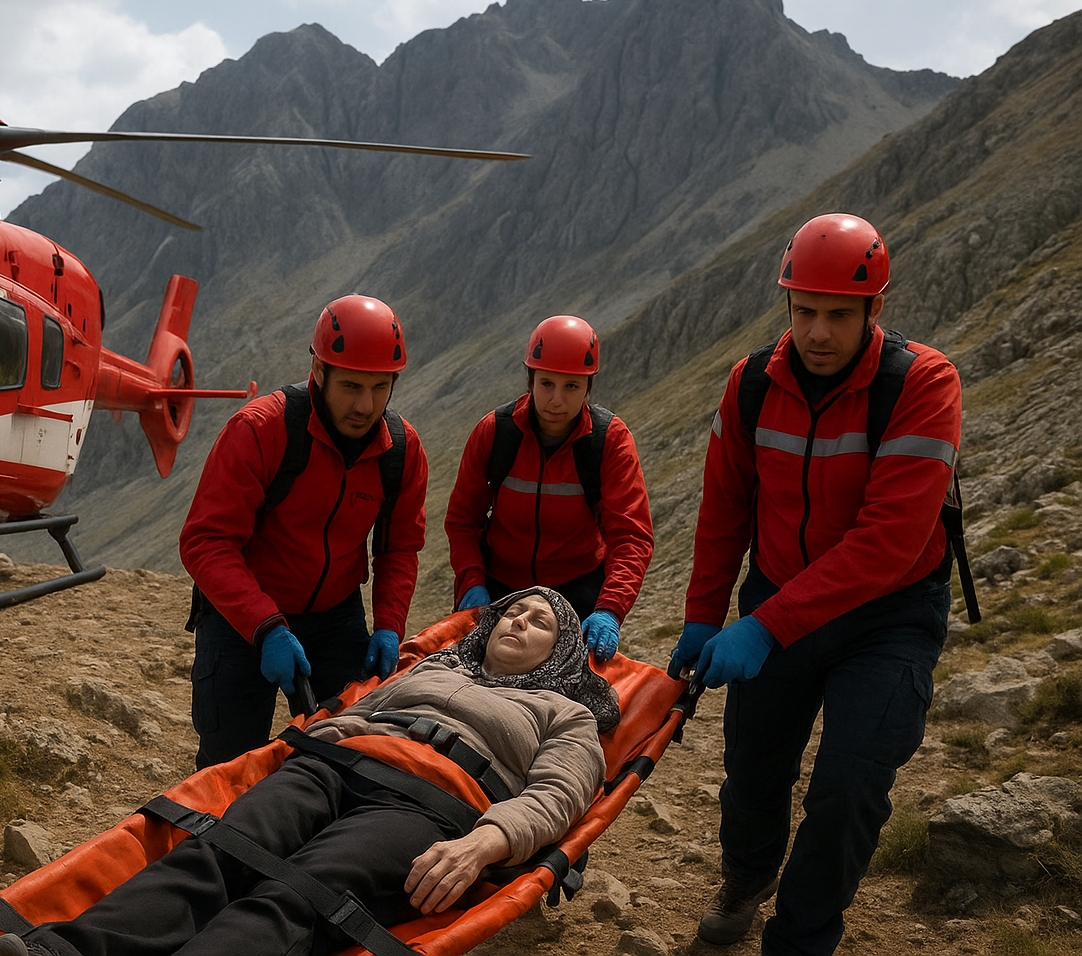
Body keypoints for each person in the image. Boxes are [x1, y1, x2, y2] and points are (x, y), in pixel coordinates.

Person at [0, 587, 617, 956]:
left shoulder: (564, 713)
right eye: (513, 611)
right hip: (334, 764)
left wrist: (483, 844)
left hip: (429, 803)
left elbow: (557, 797)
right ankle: (61, 952)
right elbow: (356, 713)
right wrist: (305, 751)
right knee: (217, 854)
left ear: (560, 652)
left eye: (540, 622)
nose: (518, 621)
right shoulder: (435, 668)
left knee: (299, 893)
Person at [669, 213, 961, 955]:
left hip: (888, 615)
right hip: (777, 591)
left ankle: (801, 938)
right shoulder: (751, 385)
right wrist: (704, 614)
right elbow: (725, 510)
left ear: (876, 310)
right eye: (805, 313)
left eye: (839, 315)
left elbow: (889, 543)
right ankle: (748, 874)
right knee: (754, 766)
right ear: (787, 306)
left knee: (850, 784)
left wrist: (764, 627)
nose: (820, 333)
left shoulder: (923, 383)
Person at [178, 295, 429, 769]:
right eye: (351, 385)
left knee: (343, 755)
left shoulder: (401, 451)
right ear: (319, 371)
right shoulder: (260, 429)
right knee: (228, 762)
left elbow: (399, 549)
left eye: (380, 387)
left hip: (335, 616)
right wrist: (266, 625)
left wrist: (391, 625)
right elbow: (205, 541)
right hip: (241, 620)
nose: (365, 404)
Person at [445, 314, 653, 661]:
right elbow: (463, 520)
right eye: (546, 384)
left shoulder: (610, 441)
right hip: (498, 588)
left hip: (578, 593)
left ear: (588, 386)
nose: (557, 400)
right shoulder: (495, 433)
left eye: (571, 386)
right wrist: (472, 581)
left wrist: (610, 609)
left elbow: (631, 536)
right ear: (531, 380)